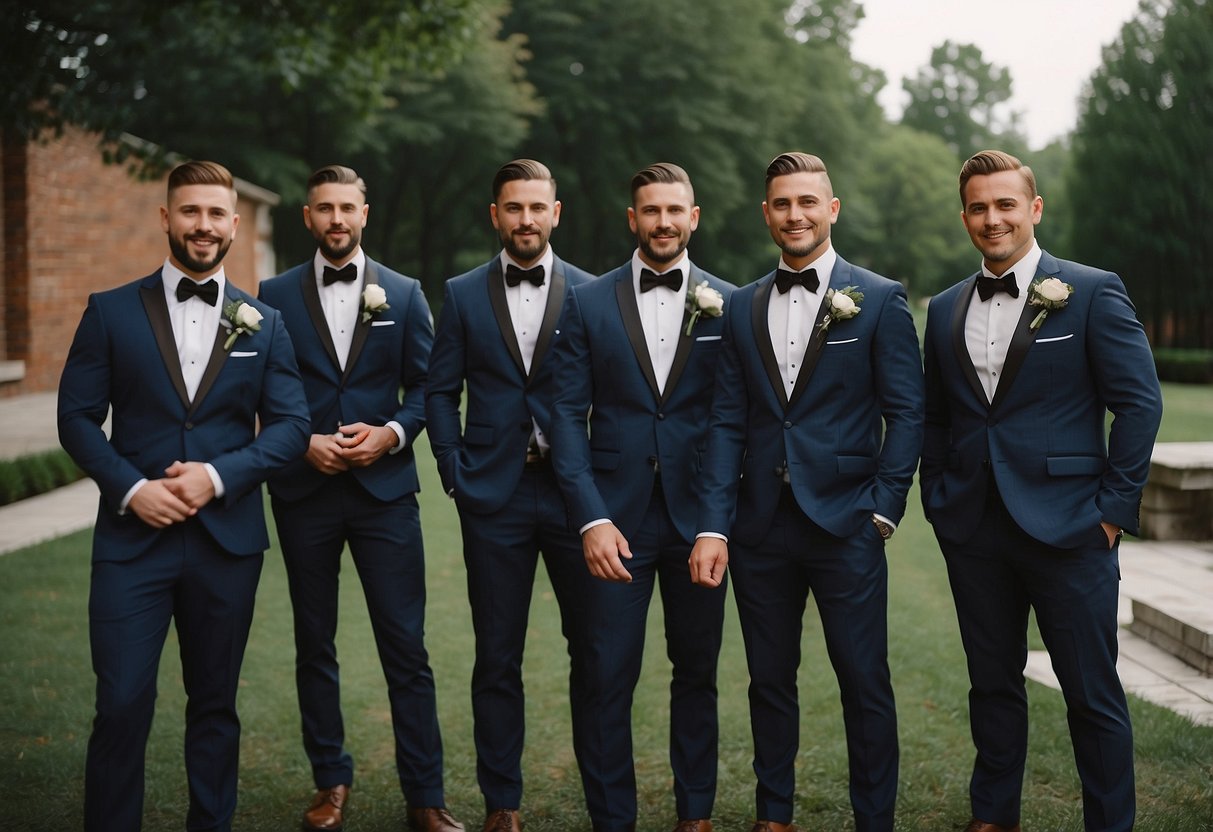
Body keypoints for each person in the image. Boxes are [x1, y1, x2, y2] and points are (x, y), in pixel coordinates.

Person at [57, 160, 311, 832]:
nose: (203, 225)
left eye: (215, 214)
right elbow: (77, 418)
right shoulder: (109, 311)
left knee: (215, 705)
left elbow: (290, 428)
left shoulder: (264, 322)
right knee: (120, 704)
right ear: (166, 216)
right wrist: (132, 488)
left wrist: (218, 476)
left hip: (226, 544)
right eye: (190, 211)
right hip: (131, 544)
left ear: (234, 223)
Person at [919, 150, 1162, 832]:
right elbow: (936, 417)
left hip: (1071, 529)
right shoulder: (942, 310)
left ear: (1033, 208)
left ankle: (1107, 823)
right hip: (973, 529)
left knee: (1090, 694)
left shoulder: (1088, 290)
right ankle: (993, 816)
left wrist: (1111, 512)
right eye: (977, 206)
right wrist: (939, 496)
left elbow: (1138, 405)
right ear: (963, 214)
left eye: (1003, 204)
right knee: (990, 685)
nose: (990, 219)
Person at [690, 151, 923, 832]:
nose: (795, 214)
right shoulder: (739, 305)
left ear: (831, 209)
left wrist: (882, 509)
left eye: (806, 202)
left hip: (847, 521)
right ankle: (774, 816)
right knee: (768, 679)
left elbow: (906, 411)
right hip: (760, 525)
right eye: (782, 204)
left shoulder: (877, 299)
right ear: (767, 213)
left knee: (862, 680)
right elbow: (727, 419)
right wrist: (713, 525)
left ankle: (872, 817)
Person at [258, 165, 461, 832]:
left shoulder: (403, 294)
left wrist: (393, 434)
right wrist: (300, 443)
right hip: (304, 492)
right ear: (308, 217)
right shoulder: (272, 293)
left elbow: (429, 389)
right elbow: (261, 393)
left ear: (364, 213)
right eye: (324, 209)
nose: (336, 219)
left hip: (384, 496)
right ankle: (329, 781)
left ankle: (424, 796)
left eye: (347, 207)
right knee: (314, 642)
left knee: (405, 645)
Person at [548, 162, 734, 832]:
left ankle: (695, 816)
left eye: (673, 211)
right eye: (649, 211)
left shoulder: (728, 301)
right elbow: (565, 415)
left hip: (697, 521)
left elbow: (728, 420)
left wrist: (716, 523)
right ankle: (612, 819)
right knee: (604, 677)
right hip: (613, 522)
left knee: (697, 674)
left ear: (693, 217)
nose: (661, 223)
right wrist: (590, 516)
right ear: (633, 220)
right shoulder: (587, 300)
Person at [425, 159, 598, 832]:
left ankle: (601, 797)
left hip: (573, 497)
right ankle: (502, 803)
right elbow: (439, 392)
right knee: (496, 655)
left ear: (556, 212)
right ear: (495, 215)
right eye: (513, 208)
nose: (526, 219)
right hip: (491, 497)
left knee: (593, 652)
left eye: (537, 207)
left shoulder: (590, 292)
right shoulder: (462, 293)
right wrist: (451, 470)